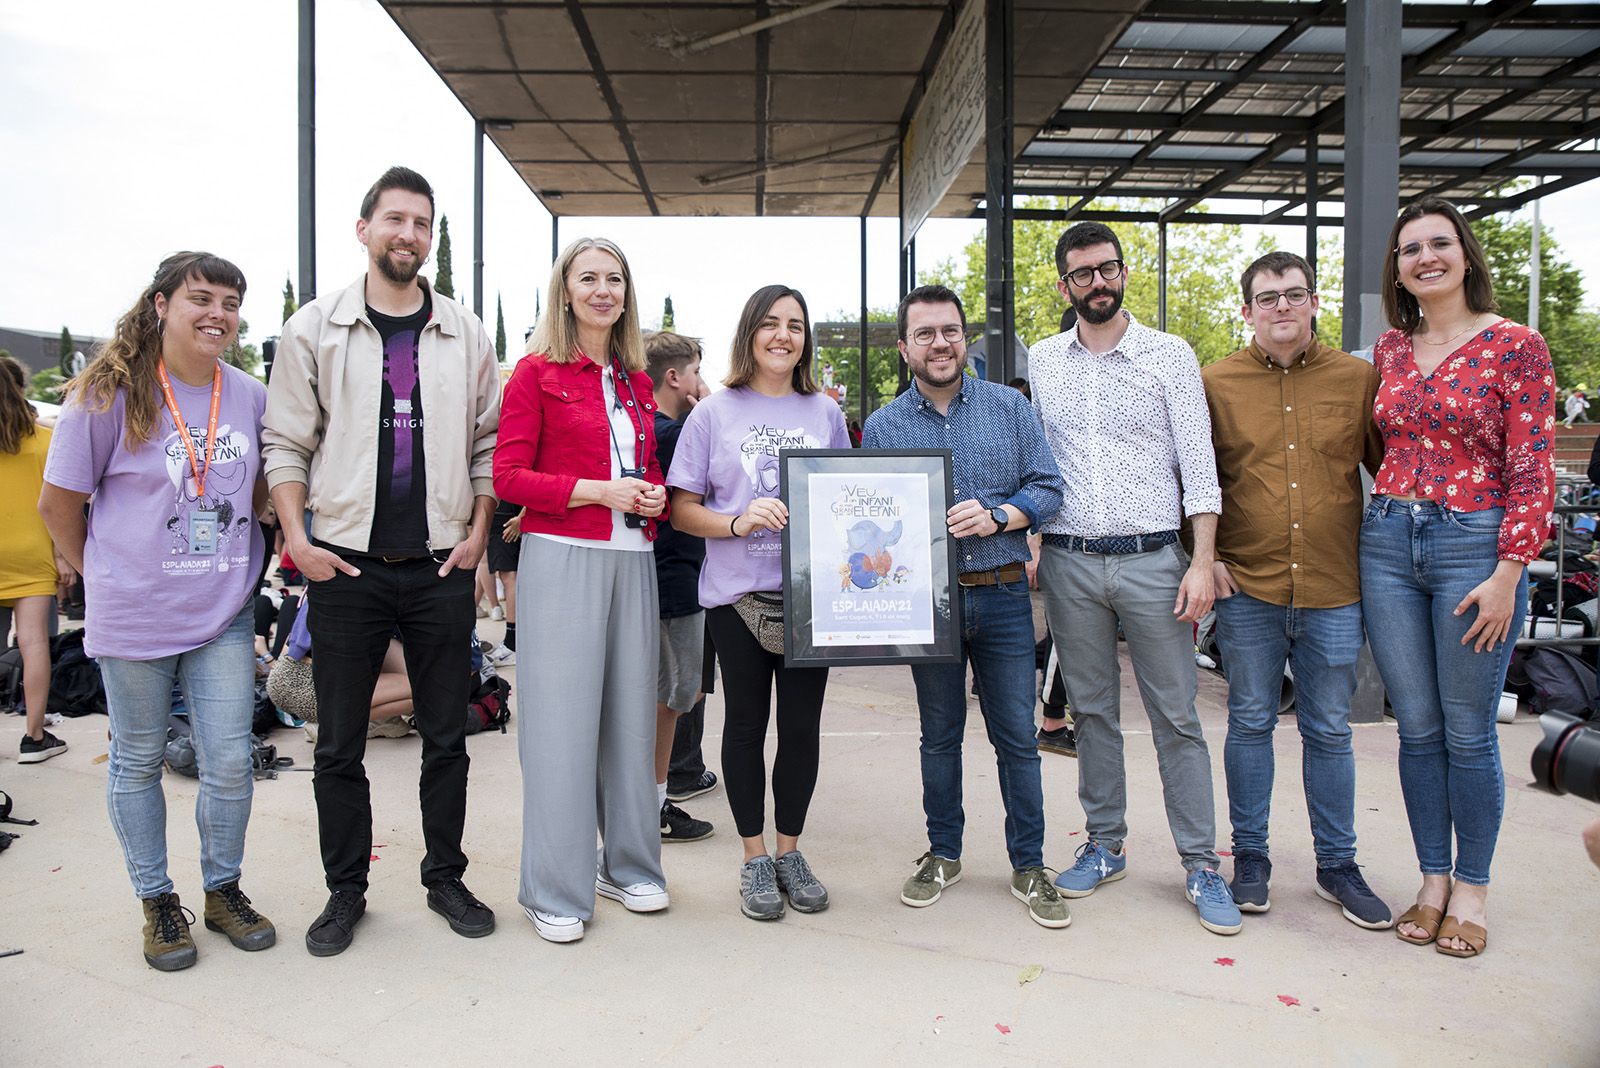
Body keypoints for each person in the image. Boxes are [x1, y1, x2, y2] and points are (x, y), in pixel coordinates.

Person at [263, 166, 502, 956]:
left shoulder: (463, 332)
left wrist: (477, 533)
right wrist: (299, 543)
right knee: (337, 743)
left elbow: (487, 444)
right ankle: (345, 892)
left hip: (438, 567)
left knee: (446, 738)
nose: (408, 235)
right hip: (345, 568)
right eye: (394, 219)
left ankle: (444, 877)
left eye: (422, 224)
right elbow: (286, 444)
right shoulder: (314, 328)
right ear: (362, 228)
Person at [38, 252, 276, 971]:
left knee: (231, 760)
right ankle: (156, 902)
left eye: (230, 302)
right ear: (160, 304)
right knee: (138, 760)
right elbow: (57, 506)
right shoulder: (105, 396)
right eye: (201, 298)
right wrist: (106, 574)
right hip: (135, 616)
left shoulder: (249, 395)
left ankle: (223, 888)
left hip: (222, 612)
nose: (218, 314)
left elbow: (260, 491)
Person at [1029, 221, 1241, 936]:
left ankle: (1200, 863)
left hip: (1155, 560)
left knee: (1177, 716)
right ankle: (1105, 843)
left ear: (1124, 274)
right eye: (1082, 273)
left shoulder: (1169, 356)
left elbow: (1199, 466)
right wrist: (1031, 537)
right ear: (1065, 285)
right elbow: (1040, 459)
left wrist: (1204, 560)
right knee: (1089, 712)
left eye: (1107, 269)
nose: (1097, 282)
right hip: (1069, 559)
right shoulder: (1045, 360)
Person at [1362, 197, 1555, 958]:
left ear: (1466, 256)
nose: (1426, 257)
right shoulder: (1391, 349)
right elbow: (1383, 445)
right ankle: (1432, 880)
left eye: (1440, 244)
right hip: (1386, 544)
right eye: (1411, 249)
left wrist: (1510, 572)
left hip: (1474, 547)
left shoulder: (1517, 345)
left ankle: (1472, 888)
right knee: (1416, 728)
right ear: (1399, 269)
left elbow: (1533, 468)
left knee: (1468, 732)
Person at [862, 285, 1069, 928]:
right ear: (904, 348)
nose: (940, 343)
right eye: (924, 334)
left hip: (1004, 592)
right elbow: (869, 515)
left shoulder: (1010, 407)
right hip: (927, 605)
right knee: (939, 737)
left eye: (949, 330)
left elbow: (1048, 487)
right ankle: (943, 853)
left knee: (1017, 739)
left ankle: (1030, 864)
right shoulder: (883, 426)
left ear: (965, 337)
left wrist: (1002, 514)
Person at [1203, 251, 1392, 929]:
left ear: (1314, 303)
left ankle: (1337, 866)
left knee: (1329, 730)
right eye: (1267, 296)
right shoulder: (1215, 383)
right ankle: (1250, 858)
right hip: (1246, 583)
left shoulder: (1358, 379)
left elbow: (1393, 473)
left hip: (1335, 585)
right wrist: (1205, 557)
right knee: (1250, 721)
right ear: (1247, 310)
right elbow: (1194, 480)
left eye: (1294, 294)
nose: (1281, 306)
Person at [494, 237, 668, 944]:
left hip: (634, 558)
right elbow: (508, 478)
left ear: (627, 293)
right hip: (562, 556)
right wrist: (598, 491)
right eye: (588, 277)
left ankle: (626, 864)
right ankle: (552, 887)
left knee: (630, 718)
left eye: (615, 279)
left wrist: (648, 496)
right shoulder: (535, 374)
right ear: (565, 291)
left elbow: (643, 465)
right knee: (562, 728)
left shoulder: (636, 380)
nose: (603, 289)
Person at [667, 285, 850, 921]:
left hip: (809, 599)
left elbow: (845, 498)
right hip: (735, 600)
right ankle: (752, 858)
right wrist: (739, 521)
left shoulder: (825, 412)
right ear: (749, 333)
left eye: (795, 325)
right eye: (770, 324)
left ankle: (790, 851)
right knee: (745, 727)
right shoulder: (712, 413)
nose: (783, 335)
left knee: (800, 730)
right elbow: (682, 510)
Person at [644, 330, 715, 843]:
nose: (699, 382)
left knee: (665, 694)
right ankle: (653, 803)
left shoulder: (646, 427)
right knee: (676, 695)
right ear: (675, 377)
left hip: (661, 575)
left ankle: (651, 799)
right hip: (676, 580)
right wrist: (711, 407)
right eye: (694, 372)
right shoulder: (677, 432)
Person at [1, 354, 69, 763]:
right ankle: (34, 736)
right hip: (32, 552)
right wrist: (62, 554)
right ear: (20, 391)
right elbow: (57, 506)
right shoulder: (45, 443)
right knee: (33, 645)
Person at [266, 596, 416, 742]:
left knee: (418, 691)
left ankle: (377, 719)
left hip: (298, 673)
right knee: (419, 689)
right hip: (306, 682)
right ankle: (331, 724)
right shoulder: (348, 590)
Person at [481, 499, 522, 667]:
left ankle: (512, 645)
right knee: (509, 575)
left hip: (505, 510)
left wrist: (522, 516)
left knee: (509, 576)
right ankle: (513, 643)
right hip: (508, 509)